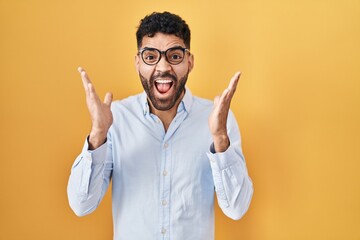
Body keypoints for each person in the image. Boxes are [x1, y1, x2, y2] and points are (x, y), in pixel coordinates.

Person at [67, 11, 253, 240]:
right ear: (137, 62)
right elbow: (81, 204)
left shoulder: (219, 120)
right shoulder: (116, 119)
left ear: (190, 61)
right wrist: (97, 135)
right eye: (150, 56)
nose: (163, 67)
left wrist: (221, 139)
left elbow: (237, 208)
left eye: (174, 56)